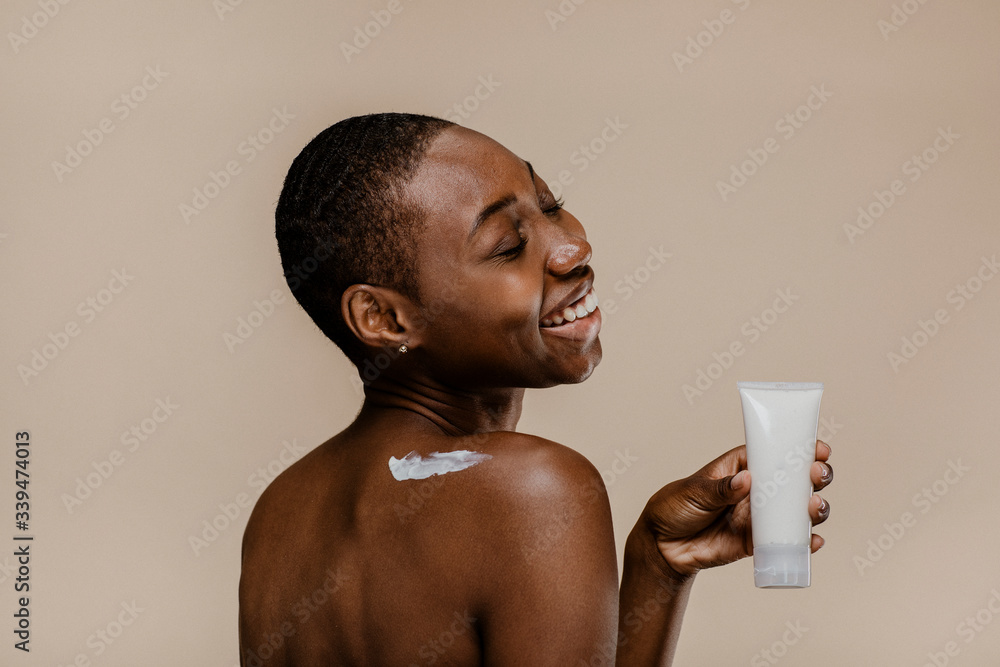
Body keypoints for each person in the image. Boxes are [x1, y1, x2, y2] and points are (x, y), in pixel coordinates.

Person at [238, 113, 834, 666]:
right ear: (384, 318)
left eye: (551, 205)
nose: (574, 248)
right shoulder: (532, 489)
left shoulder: (280, 513)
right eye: (507, 246)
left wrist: (658, 564)